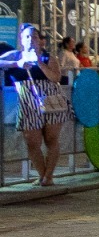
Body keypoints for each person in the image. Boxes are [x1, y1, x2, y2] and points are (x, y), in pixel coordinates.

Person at [3, 24, 69, 186]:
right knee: (32, 141)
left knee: (51, 139)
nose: (30, 40)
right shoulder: (15, 56)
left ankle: (49, 176)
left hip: (51, 100)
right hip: (28, 102)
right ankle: (42, 174)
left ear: (40, 41)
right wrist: (17, 64)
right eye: (27, 37)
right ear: (21, 40)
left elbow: (56, 77)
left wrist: (39, 63)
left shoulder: (48, 57)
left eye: (34, 37)